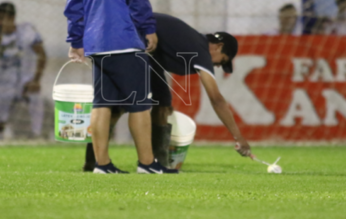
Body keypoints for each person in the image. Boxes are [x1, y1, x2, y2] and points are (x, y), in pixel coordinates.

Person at [64, 0, 176, 174]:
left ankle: (101, 165)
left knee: (102, 103)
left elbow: (74, 7)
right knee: (140, 103)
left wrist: (76, 40)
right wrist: (148, 27)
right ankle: (147, 164)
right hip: (124, 40)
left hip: (96, 45)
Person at [82, 13, 252, 170]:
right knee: (117, 107)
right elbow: (216, 99)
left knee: (162, 104)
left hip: (125, 46)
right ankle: (102, 162)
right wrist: (239, 137)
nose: (217, 66)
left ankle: (156, 162)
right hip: (128, 47)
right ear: (219, 46)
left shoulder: (191, 41)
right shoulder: (201, 51)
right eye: (222, 61)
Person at [0, 2, 46, 140]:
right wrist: (0, 35)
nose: (0, 22)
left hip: (25, 81)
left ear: (12, 18)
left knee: (36, 110)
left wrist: (36, 80)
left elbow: (42, 54)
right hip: (4, 83)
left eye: (3, 19)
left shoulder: (27, 31)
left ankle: (38, 141)